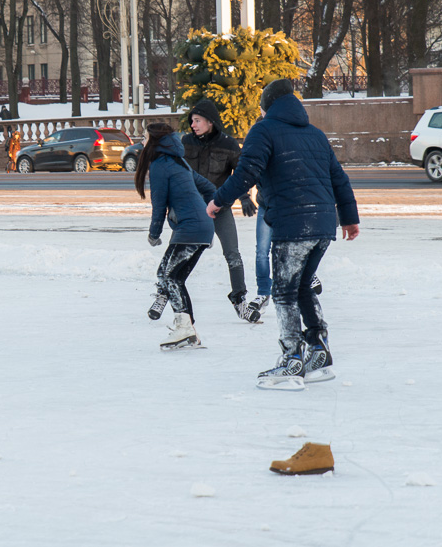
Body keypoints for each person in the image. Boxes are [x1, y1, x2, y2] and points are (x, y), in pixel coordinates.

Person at [207, 79, 360, 389]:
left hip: (293, 224)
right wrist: (349, 218)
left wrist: (218, 200)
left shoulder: (264, 131)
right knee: (303, 286)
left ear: (268, 106)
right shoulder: (315, 134)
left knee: (284, 293)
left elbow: (246, 172)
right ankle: (319, 351)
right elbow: (339, 179)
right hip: (322, 226)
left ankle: (292, 359)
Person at [153, 99, 260, 324]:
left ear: (210, 122)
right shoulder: (185, 143)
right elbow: (177, 173)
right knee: (175, 254)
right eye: (191, 120)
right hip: (190, 212)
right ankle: (163, 294)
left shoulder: (229, 145)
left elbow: (239, 174)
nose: (193, 124)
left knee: (233, 254)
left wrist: (243, 197)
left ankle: (240, 301)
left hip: (219, 207)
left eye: (197, 120)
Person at [135, 122, 215, 350]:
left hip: (191, 229)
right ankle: (185, 326)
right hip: (197, 228)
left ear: (155, 140)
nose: (142, 141)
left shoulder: (161, 165)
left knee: (171, 279)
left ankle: (184, 328)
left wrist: (154, 233)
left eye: (145, 137)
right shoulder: (179, 162)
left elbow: (158, 204)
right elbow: (209, 188)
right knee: (167, 275)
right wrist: (211, 211)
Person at [245, 186, 323, 318]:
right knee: (262, 251)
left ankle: (308, 273)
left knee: (293, 244)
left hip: (288, 205)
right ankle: (263, 293)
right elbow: (247, 173)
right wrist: (243, 197)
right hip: (266, 204)